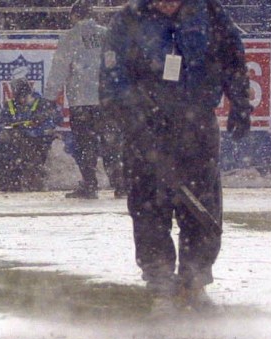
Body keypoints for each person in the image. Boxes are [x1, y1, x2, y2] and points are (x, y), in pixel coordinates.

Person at [100, 0, 252, 311]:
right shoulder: (129, 19)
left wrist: (239, 102)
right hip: (146, 125)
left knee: (201, 206)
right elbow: (113, 77)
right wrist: (134, 120)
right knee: (148, 208)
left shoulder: (209, 12)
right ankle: (160, 285)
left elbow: (233, 56)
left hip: (197, 124)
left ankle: (194, 282)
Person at [44, 0, 124, 200]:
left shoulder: (70, 38)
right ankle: (121, 184)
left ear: (74, 16)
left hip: (81, 101)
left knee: (85, 144)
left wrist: (49, 96)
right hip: (107, 99)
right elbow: (117, 66)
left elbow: (59, 70)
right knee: (111, 143)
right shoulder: (108, 35)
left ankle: (90, 184)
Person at [0, 76, 61, 192]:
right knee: (4, 148)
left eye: (25, 96)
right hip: (16, 140)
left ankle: (36, 179)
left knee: (32, 154)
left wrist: (35, 129)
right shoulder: (10, 106)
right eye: (19, 96)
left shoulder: (42, 104)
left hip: (37, 141)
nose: (22, 100)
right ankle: (11, 180)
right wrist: (4, 129)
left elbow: (51, 123)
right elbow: (1, 122)